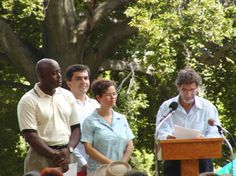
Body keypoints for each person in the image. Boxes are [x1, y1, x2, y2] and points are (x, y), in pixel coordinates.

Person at [17, 58, 81, 174]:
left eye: (59, 71)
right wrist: (54, 154)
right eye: (53, 73)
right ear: (41, 76)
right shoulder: (28, 100)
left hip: (67, 155)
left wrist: (69, 149)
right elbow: (30, 135)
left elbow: (76, 128)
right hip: (41, 156)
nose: (59, 76)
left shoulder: (67, 95)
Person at [155, 68, 221, 176]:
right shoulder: (167, 107)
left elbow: (215, 131)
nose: (189, 94)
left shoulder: (207, 107)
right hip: (174, 159)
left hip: (203, 159)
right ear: (178, 88)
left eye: (192, 90)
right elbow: (161, 130)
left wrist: (206, 140)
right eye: (184, 90)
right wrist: (167, 137)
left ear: (197, 88)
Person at [81, 78, 135, 176]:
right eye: (108, 95)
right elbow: (88, 149)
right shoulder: (90, 121)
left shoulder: (122, 119)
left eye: (114, 94)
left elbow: (130, 145)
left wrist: (121, 165)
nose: (113, 97)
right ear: (98, 97)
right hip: (98, 171)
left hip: (120, 172)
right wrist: (112, 164)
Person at [66, 64, 100, 175]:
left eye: (86, 78)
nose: (83, 81)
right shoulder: (64, 104)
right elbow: (65, 136)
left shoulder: (96, 105)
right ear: (69, 83)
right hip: (72, 165)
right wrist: (83, 163)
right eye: (78, 78)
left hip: (96, 164)